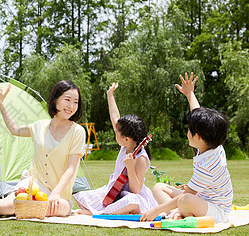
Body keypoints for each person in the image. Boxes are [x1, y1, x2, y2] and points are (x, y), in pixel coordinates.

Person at [0, 80, 86, 217]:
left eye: (75, 102)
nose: (72, 106)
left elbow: (71, 169)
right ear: (55, 100)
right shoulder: (40, 126)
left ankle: (10, 209)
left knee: (59, 209)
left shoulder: (77, 131)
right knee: (7, 207)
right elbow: (15, 129)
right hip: (34, 185)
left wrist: (55, 193)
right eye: (67, 100)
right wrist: (0, 103)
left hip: (60, 193)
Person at [141, 73, 233, 223]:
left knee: (184, 199)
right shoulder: (212, 144)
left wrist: (156, 210)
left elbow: (188, 195)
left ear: (198, 137)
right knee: (159, 187)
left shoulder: (209, 164)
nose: (187, 132)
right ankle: (177, 214)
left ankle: (178, 214)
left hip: (217, 211)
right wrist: (190, 94)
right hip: (201, 200)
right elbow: (197, 115)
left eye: (190, 130)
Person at [73, 83, 157, 215]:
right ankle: (108, 210)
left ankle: (102, 212)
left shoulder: (141, 158)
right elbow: (114, 117)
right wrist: (110, 94)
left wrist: (130, 167)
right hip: (114, 191)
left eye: (116, 133)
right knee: (84, 195)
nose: (115, 133)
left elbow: (136, 189)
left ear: (127, 138)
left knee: (132, 201)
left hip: (131, 195)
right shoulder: (125, 145)